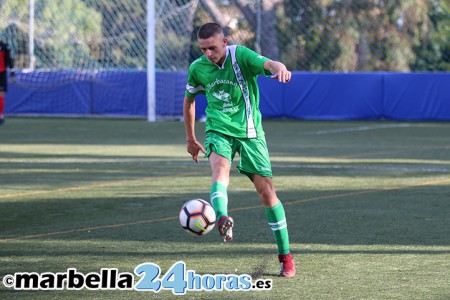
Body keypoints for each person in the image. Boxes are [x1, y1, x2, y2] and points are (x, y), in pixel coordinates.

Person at [183, 23, 296, 277]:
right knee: (220, 170)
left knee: (267, 192)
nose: (208, 54)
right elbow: (189, 100)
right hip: (218, 129)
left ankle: (286, 257)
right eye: (203, 49)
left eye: (212, 47)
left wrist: (279, 67)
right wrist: (190, 138)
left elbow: (268, 64)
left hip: (250, 132)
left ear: (225, 41)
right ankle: (221, 217)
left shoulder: (240, 56)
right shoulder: (197, 68)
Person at [0, 39, 15, 125]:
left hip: (1, 73)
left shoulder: (4, 46)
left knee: (0, 95)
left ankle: (0, 116)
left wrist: (12, 70)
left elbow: (9, 59)